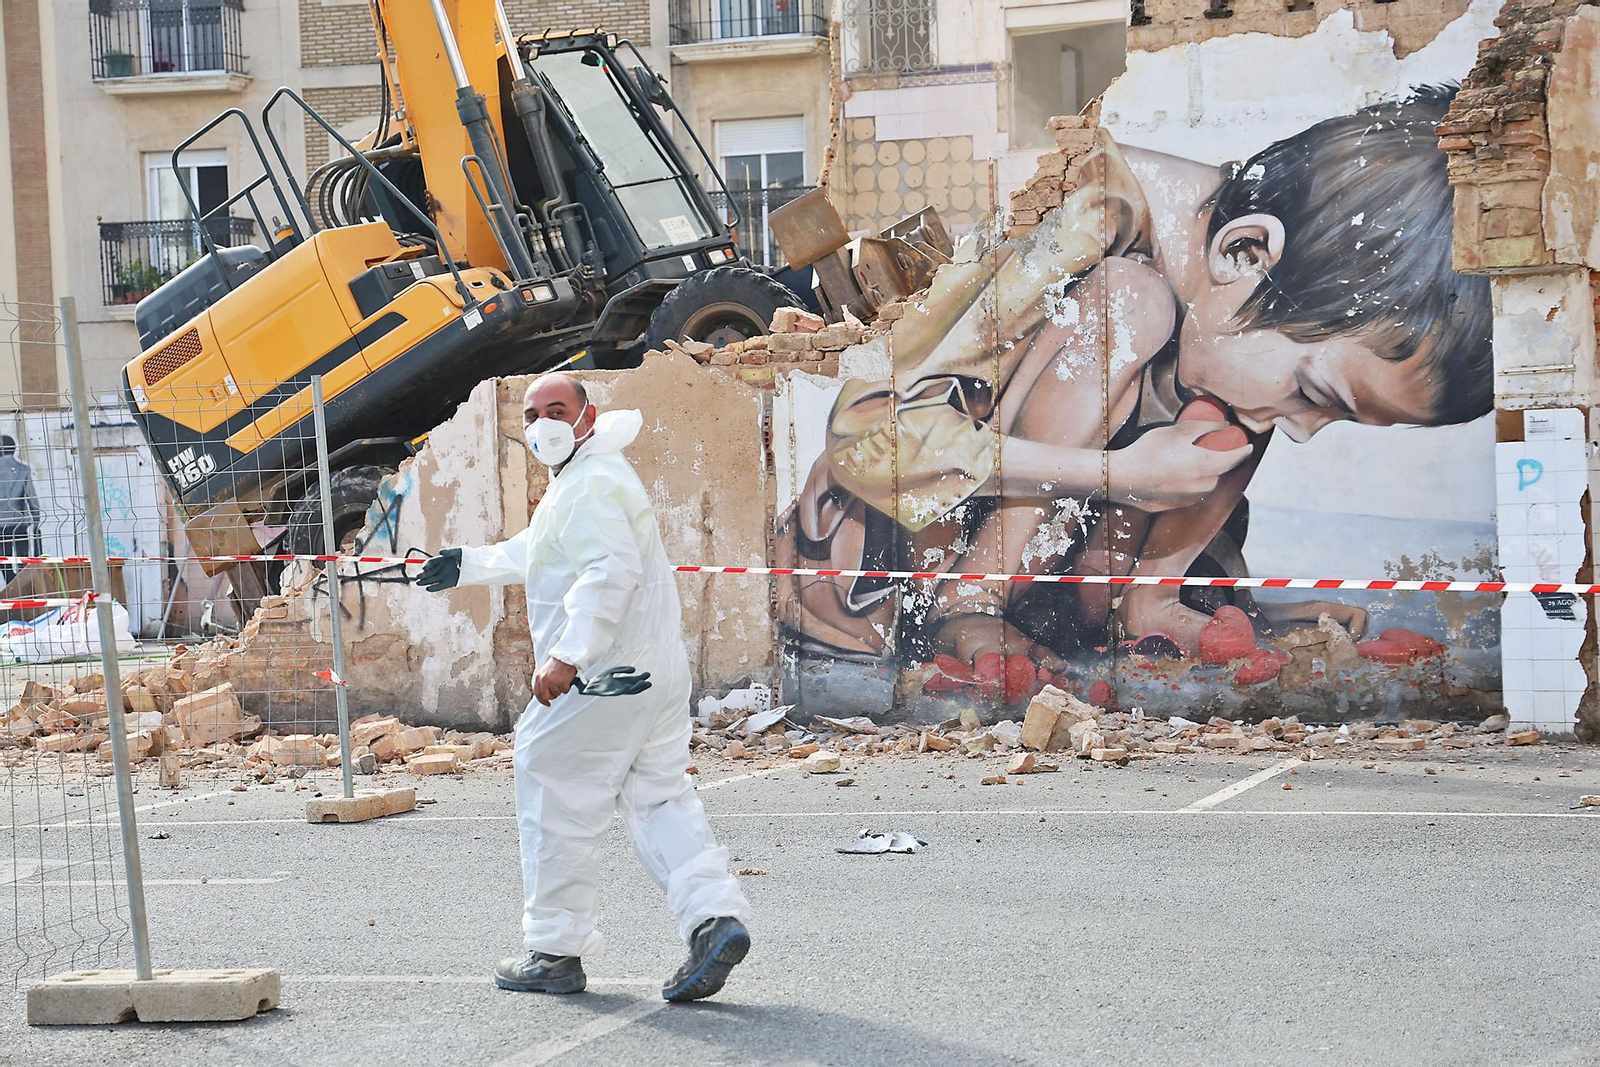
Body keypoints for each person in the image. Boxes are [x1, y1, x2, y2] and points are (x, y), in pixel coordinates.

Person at [779, 85, 1491, 674]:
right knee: (1138, 305)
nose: (1303, 428)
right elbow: (867, 443)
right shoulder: (1086, 216)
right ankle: (971, 602)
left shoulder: (1230, 297)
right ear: (1245, 252)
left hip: (1063, 586)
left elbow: (1248, 389)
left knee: (1244, 390)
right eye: (1318, 394)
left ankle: (1147, 600)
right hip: (859, 582)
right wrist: (1115, 473)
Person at [415, 373, 753, 1002]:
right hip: (651, 680)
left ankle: (554, 951)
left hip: (601, 681)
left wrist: (568, 656)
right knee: (659, 799)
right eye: (533, 413)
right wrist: (467, 564)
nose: (542, 423)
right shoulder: (590, 478)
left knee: (551, 789)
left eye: (557, 410)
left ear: (587, 415)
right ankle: (714, 920)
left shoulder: (592, 483)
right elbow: (544, 550)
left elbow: (608, 571)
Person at [0, 435, 40, 586]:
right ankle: (24, 590)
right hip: (19, 523)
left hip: (0, 527)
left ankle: (11, 588)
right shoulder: (23, 469)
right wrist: (35, 521)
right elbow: (32, 499)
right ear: (14, 448)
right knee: (23, 560)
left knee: (4, 561)